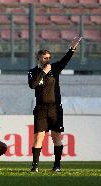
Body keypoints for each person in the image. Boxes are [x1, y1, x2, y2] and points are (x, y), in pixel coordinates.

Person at [28, 36, 82, 172]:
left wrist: (73, 48)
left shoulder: (55, 68)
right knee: (39, 136)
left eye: (49, 58)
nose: (47, 60)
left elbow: (65, 60)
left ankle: (57, 165)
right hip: (41, 108)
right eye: (45, 58)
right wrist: (43, 72)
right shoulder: (33, 72)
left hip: (55, 108)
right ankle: (35, 166)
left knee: (56, 136)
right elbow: (32, 85)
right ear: (39, 58)